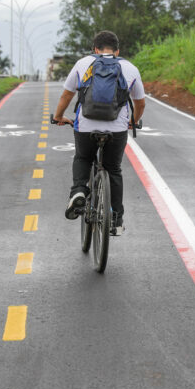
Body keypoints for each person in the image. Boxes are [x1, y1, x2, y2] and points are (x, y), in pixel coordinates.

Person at [52, 30, 145, 236]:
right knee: (113, 169)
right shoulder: (130, 68)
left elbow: (67, 95)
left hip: (85, 126)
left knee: (83, 157)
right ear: (117, 50)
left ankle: (78, 192)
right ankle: (117, 220)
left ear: (95, 49)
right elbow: (140, 102)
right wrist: (133, 121)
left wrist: (58, 117)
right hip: (117, 128)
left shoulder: (82, 64)